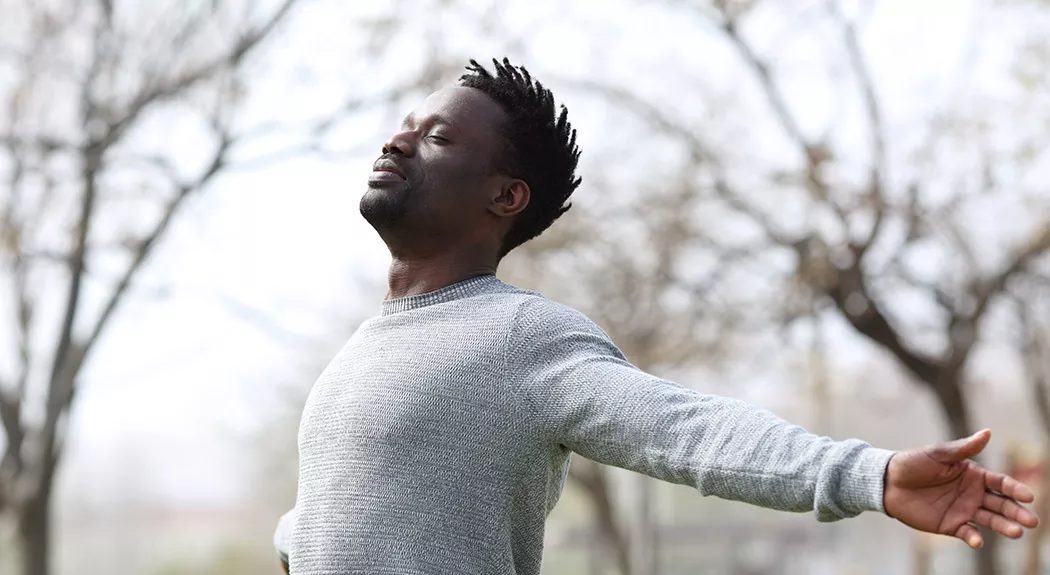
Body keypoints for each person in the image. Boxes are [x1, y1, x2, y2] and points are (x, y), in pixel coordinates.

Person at [275, 58, 1039, 575]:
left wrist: (864, 473)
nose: (396, 139)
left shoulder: (518, 338)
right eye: (406, 123)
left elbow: (688, 430)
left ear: (505, 197)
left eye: (437, 136)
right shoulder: (363, 348)